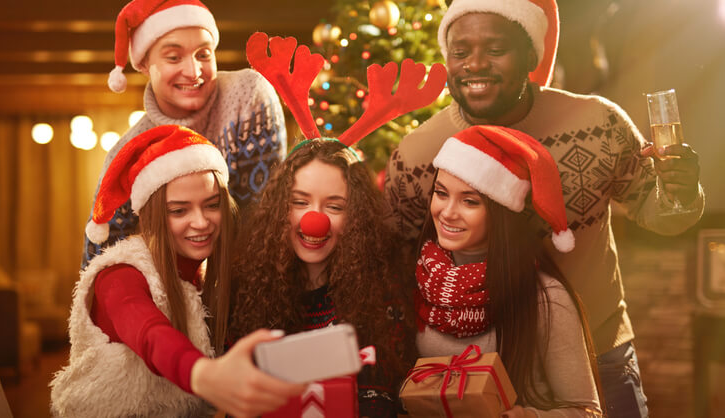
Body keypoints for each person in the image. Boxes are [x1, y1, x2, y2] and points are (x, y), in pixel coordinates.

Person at [384, 1, 704, 417]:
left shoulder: (598, 123)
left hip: (600, 356)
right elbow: (392, 261)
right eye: (461, 52)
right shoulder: (418, 154)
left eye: (496, 49)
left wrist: (681, 190)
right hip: (478, 368)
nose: (475, 65)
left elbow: (660, 215)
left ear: (531, 56)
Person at [227, 32, 448, 417]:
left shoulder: (383, 294)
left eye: (335, 205)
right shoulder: (250, 293)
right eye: (300, 202)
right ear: (281, 209)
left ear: (357, 216)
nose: (314, 220)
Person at [51, 125, 305, 418]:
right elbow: (150, 335)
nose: (201, 222)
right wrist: (206, 375)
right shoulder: (120, 274)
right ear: (151, 215)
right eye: (179, 210)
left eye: (211, 205)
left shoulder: (208, 275)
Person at [414, 124, 602, 417]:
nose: (448, 212)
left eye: (469, 201)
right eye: (441, 193)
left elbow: (588, 412)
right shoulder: (418, 278)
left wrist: (528, 416)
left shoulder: (544, 299)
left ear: (500, 212)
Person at [82, 0, 287, 267]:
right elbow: (98, 257)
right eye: (173, 57)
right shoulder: (128, 151)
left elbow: (263, 214)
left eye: (204, 54)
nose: (193, 72)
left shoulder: (247, 97)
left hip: (253, 277)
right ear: (144, 64)